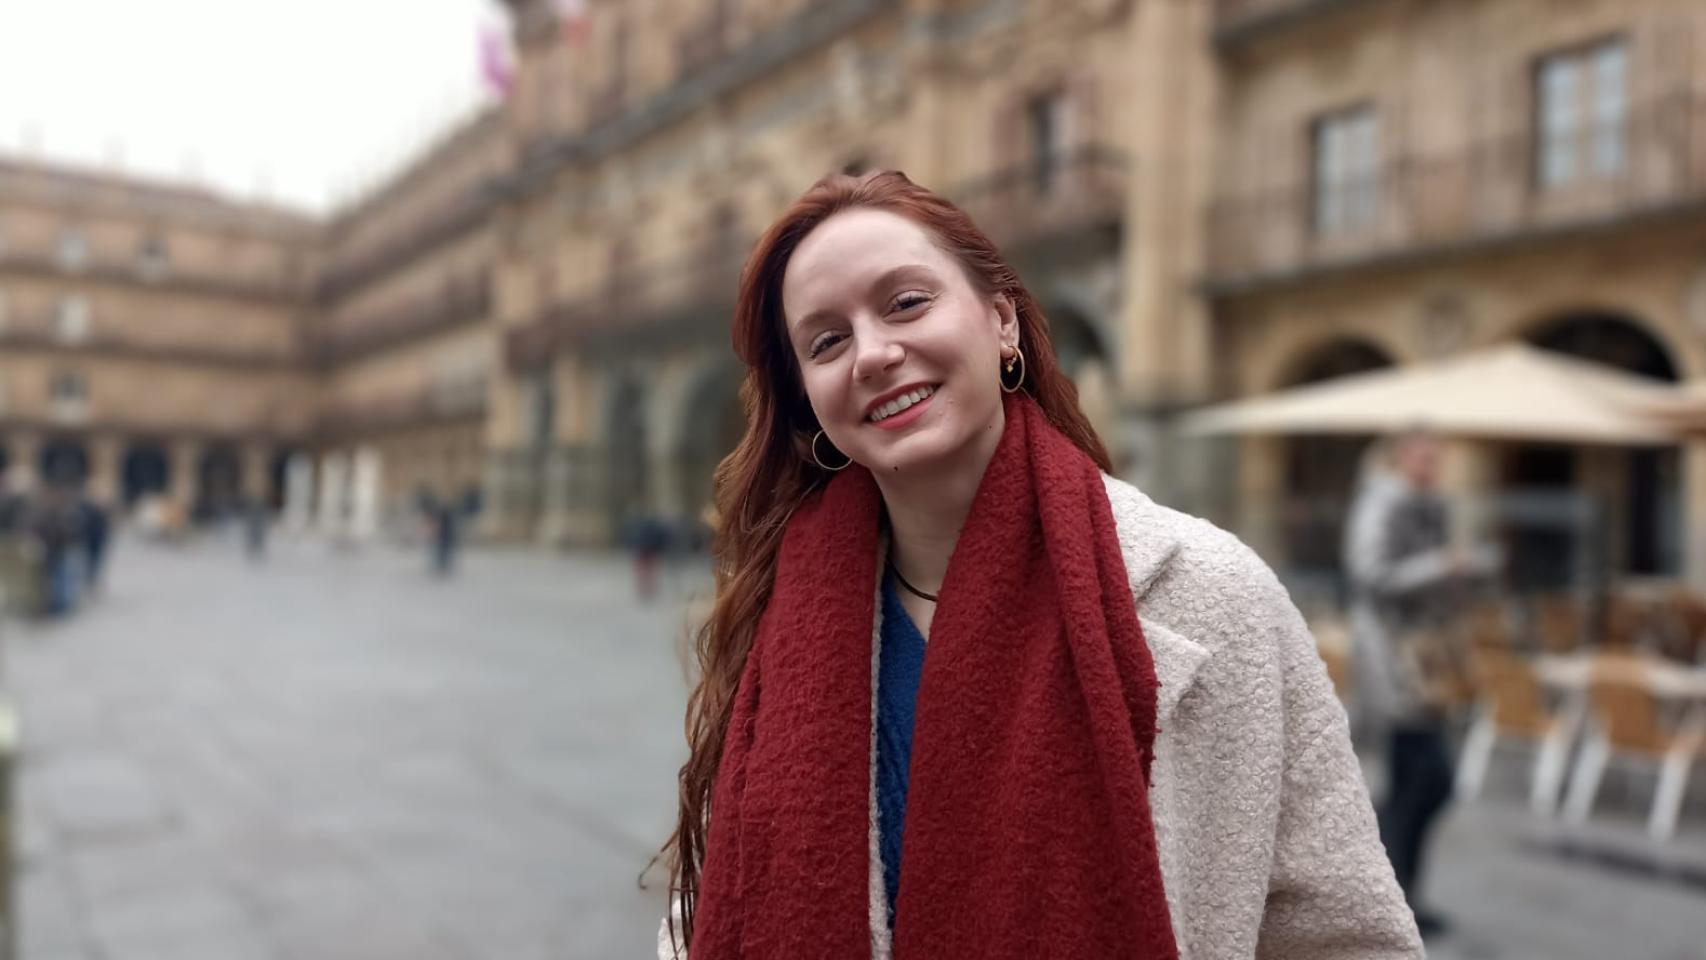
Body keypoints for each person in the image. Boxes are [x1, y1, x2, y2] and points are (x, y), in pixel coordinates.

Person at [657, 171, 1419, 959]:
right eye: (826, 341)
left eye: (906, 302)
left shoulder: (1214, 591)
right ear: (810, 399)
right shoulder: (782, 611)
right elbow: (709, 900)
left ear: (1001, 321)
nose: (875, 354)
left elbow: (1344, 933)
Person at [1345, 429, 1487, 939]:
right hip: (1395, 664)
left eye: (1436, 457)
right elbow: (1371, 575)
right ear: (1399, 457)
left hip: (1424, 662)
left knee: (1415, 782)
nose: (1431, 465)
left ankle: (1397, 894)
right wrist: (1441, 565)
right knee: (1427, 779)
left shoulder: (1429, 506)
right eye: (1423, 456)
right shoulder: (1382, 506)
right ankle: (1389, 892)